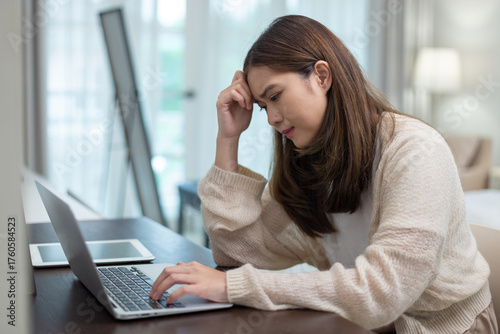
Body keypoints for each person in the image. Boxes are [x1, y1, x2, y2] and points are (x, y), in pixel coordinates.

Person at [150, 15, 498, 333]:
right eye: (262, 106)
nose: (270, 118)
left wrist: (232, 287)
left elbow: (381, 292)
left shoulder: (414, 150)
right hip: (366, 324)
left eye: (275, 96)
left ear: (321, 75)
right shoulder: (311, 162)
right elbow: (236, 252)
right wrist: (228, 140)